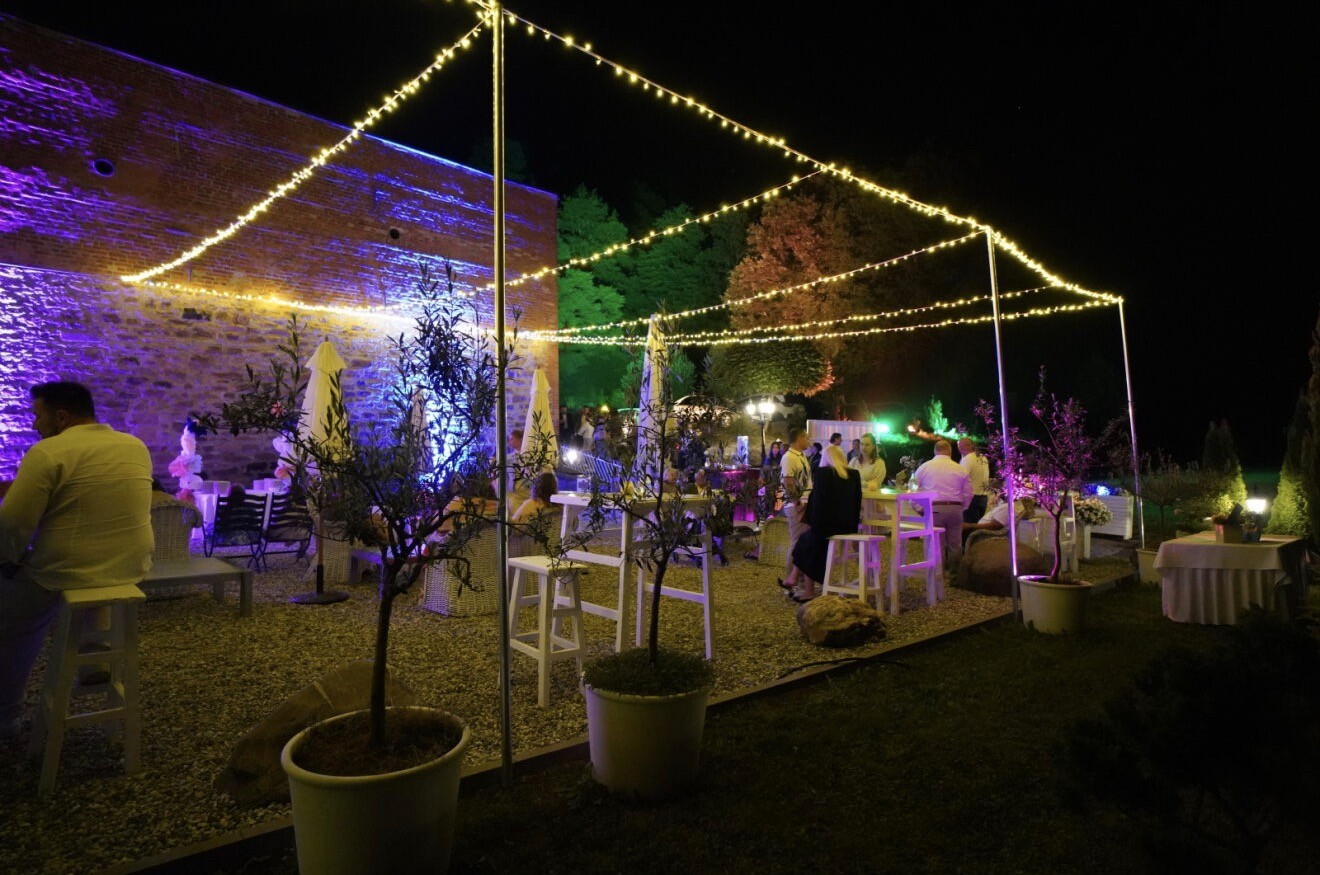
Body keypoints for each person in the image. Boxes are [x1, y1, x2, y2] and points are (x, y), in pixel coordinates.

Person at [0, 382, 153, 739]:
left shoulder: (49, 452)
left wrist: (7, 560)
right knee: (85, 563)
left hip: (70, 570)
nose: (35, 425)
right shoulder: (134, 446)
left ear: (61, 416)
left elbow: (13, 524)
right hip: (128, 567)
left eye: (38, 416)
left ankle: (5, 718)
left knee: (12, 620)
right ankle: (92, 646)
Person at [789, 445, 861, 602]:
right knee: (810, 540)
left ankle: (804, 587)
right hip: (847, 526)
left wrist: (812, 523)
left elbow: (818, 504)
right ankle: (798, 581)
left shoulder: (823, 474)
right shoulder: (854, 474)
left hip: (826, 526)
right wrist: (854, 527)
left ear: (825, 458)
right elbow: (857, 501)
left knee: (808, 540)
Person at [912, 440, 973, 572]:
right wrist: (962, 508)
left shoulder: (924, 467)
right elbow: (968, 492)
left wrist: (919, 508)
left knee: (935, 544)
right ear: (950, 451)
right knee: (955, 544)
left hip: (934, 508)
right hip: (955, 508)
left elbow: (913, 489)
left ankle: (937, 574)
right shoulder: (959, 468)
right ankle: (954, 574)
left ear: (935, 451)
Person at [777, 427, 813, 594]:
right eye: (806, 437)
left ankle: (797, 580)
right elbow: (788, 481)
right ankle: (790, 582)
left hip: (805, 503)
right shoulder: (789, 457)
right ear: (799, 438)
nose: (808, 440)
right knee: (797, 542)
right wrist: (796, 502)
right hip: (796, 505)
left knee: (803, 543)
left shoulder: (802, 456)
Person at [958, 437, 992, 523]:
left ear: (961, 448)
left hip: (971, 499)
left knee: (968, 528)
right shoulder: (983, 457)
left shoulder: (967, 459)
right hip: (983, 498)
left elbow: (960, 478)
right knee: (977, 526)